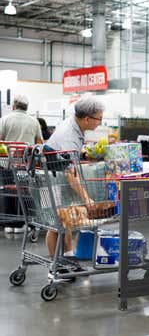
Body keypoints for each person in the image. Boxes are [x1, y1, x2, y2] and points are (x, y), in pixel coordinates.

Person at [45, 95, 105, 259]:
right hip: (55, 181)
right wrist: (87, 199)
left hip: (57, 176)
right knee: (55, 224)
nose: (100, 122)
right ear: (87, 118)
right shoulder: (69, 135)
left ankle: (68, 257)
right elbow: (70, 175)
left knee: (65, 219)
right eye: (99, 119)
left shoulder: (74, 126)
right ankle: (55, 268)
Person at [0, 95, 43, 233]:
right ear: (27, 107)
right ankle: (25, 222)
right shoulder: (34, 121)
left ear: (13, 106)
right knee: (25, 192)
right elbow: (39, 143)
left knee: (8, 190)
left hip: (7, 163)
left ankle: (9, 224)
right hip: (27, 164)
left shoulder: (4, 120)